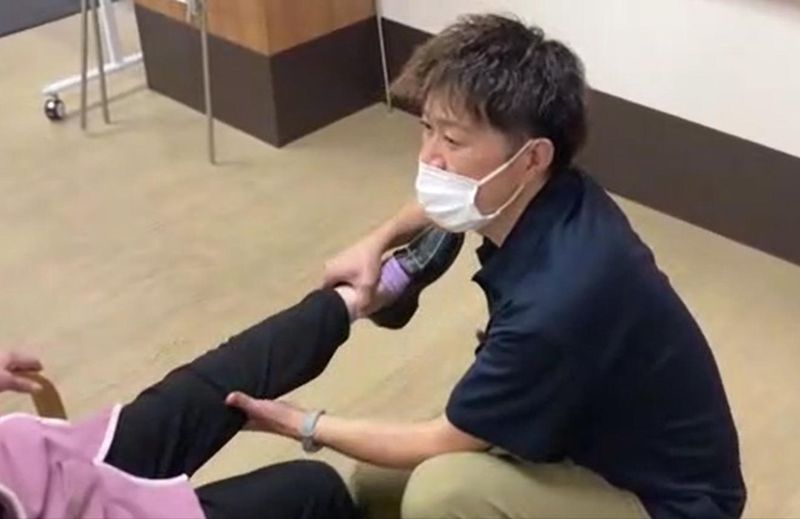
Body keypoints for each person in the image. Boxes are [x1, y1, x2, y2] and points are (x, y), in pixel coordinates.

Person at [229, 14, 746, 519]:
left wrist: (301, 424)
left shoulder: (559, 299)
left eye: (452, 141)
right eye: (426, 128)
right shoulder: (557, 194)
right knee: (375, 484)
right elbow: (443, 202)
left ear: (532, 157)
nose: (430, 158)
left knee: (442, 494)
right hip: (584, 435)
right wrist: (379, 240)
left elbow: (441, 439)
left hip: (667, 501)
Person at [0, 226, 460, 519]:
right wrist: (306, 425)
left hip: (40, 470)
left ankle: (361, 298)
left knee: (209, 383)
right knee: (312, 489)